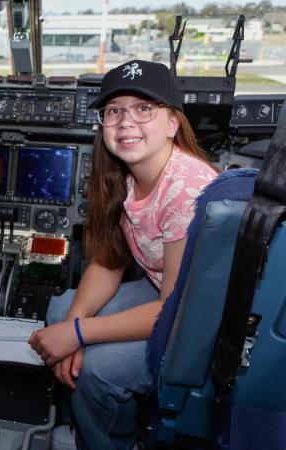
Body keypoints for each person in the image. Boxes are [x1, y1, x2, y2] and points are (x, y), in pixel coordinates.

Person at [28, 60, 218, 449]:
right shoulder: (121, 177)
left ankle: (110, 441)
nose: (126, 121)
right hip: (169, 289)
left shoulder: (187, 190)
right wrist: (73, 328)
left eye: (144, 108)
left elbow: (175, 308)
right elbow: (108, 261)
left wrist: (77, 335)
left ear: (172, 123)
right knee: (63, 309)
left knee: (100, 369)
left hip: (206, 316)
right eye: (114, 110)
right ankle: (85, 416)